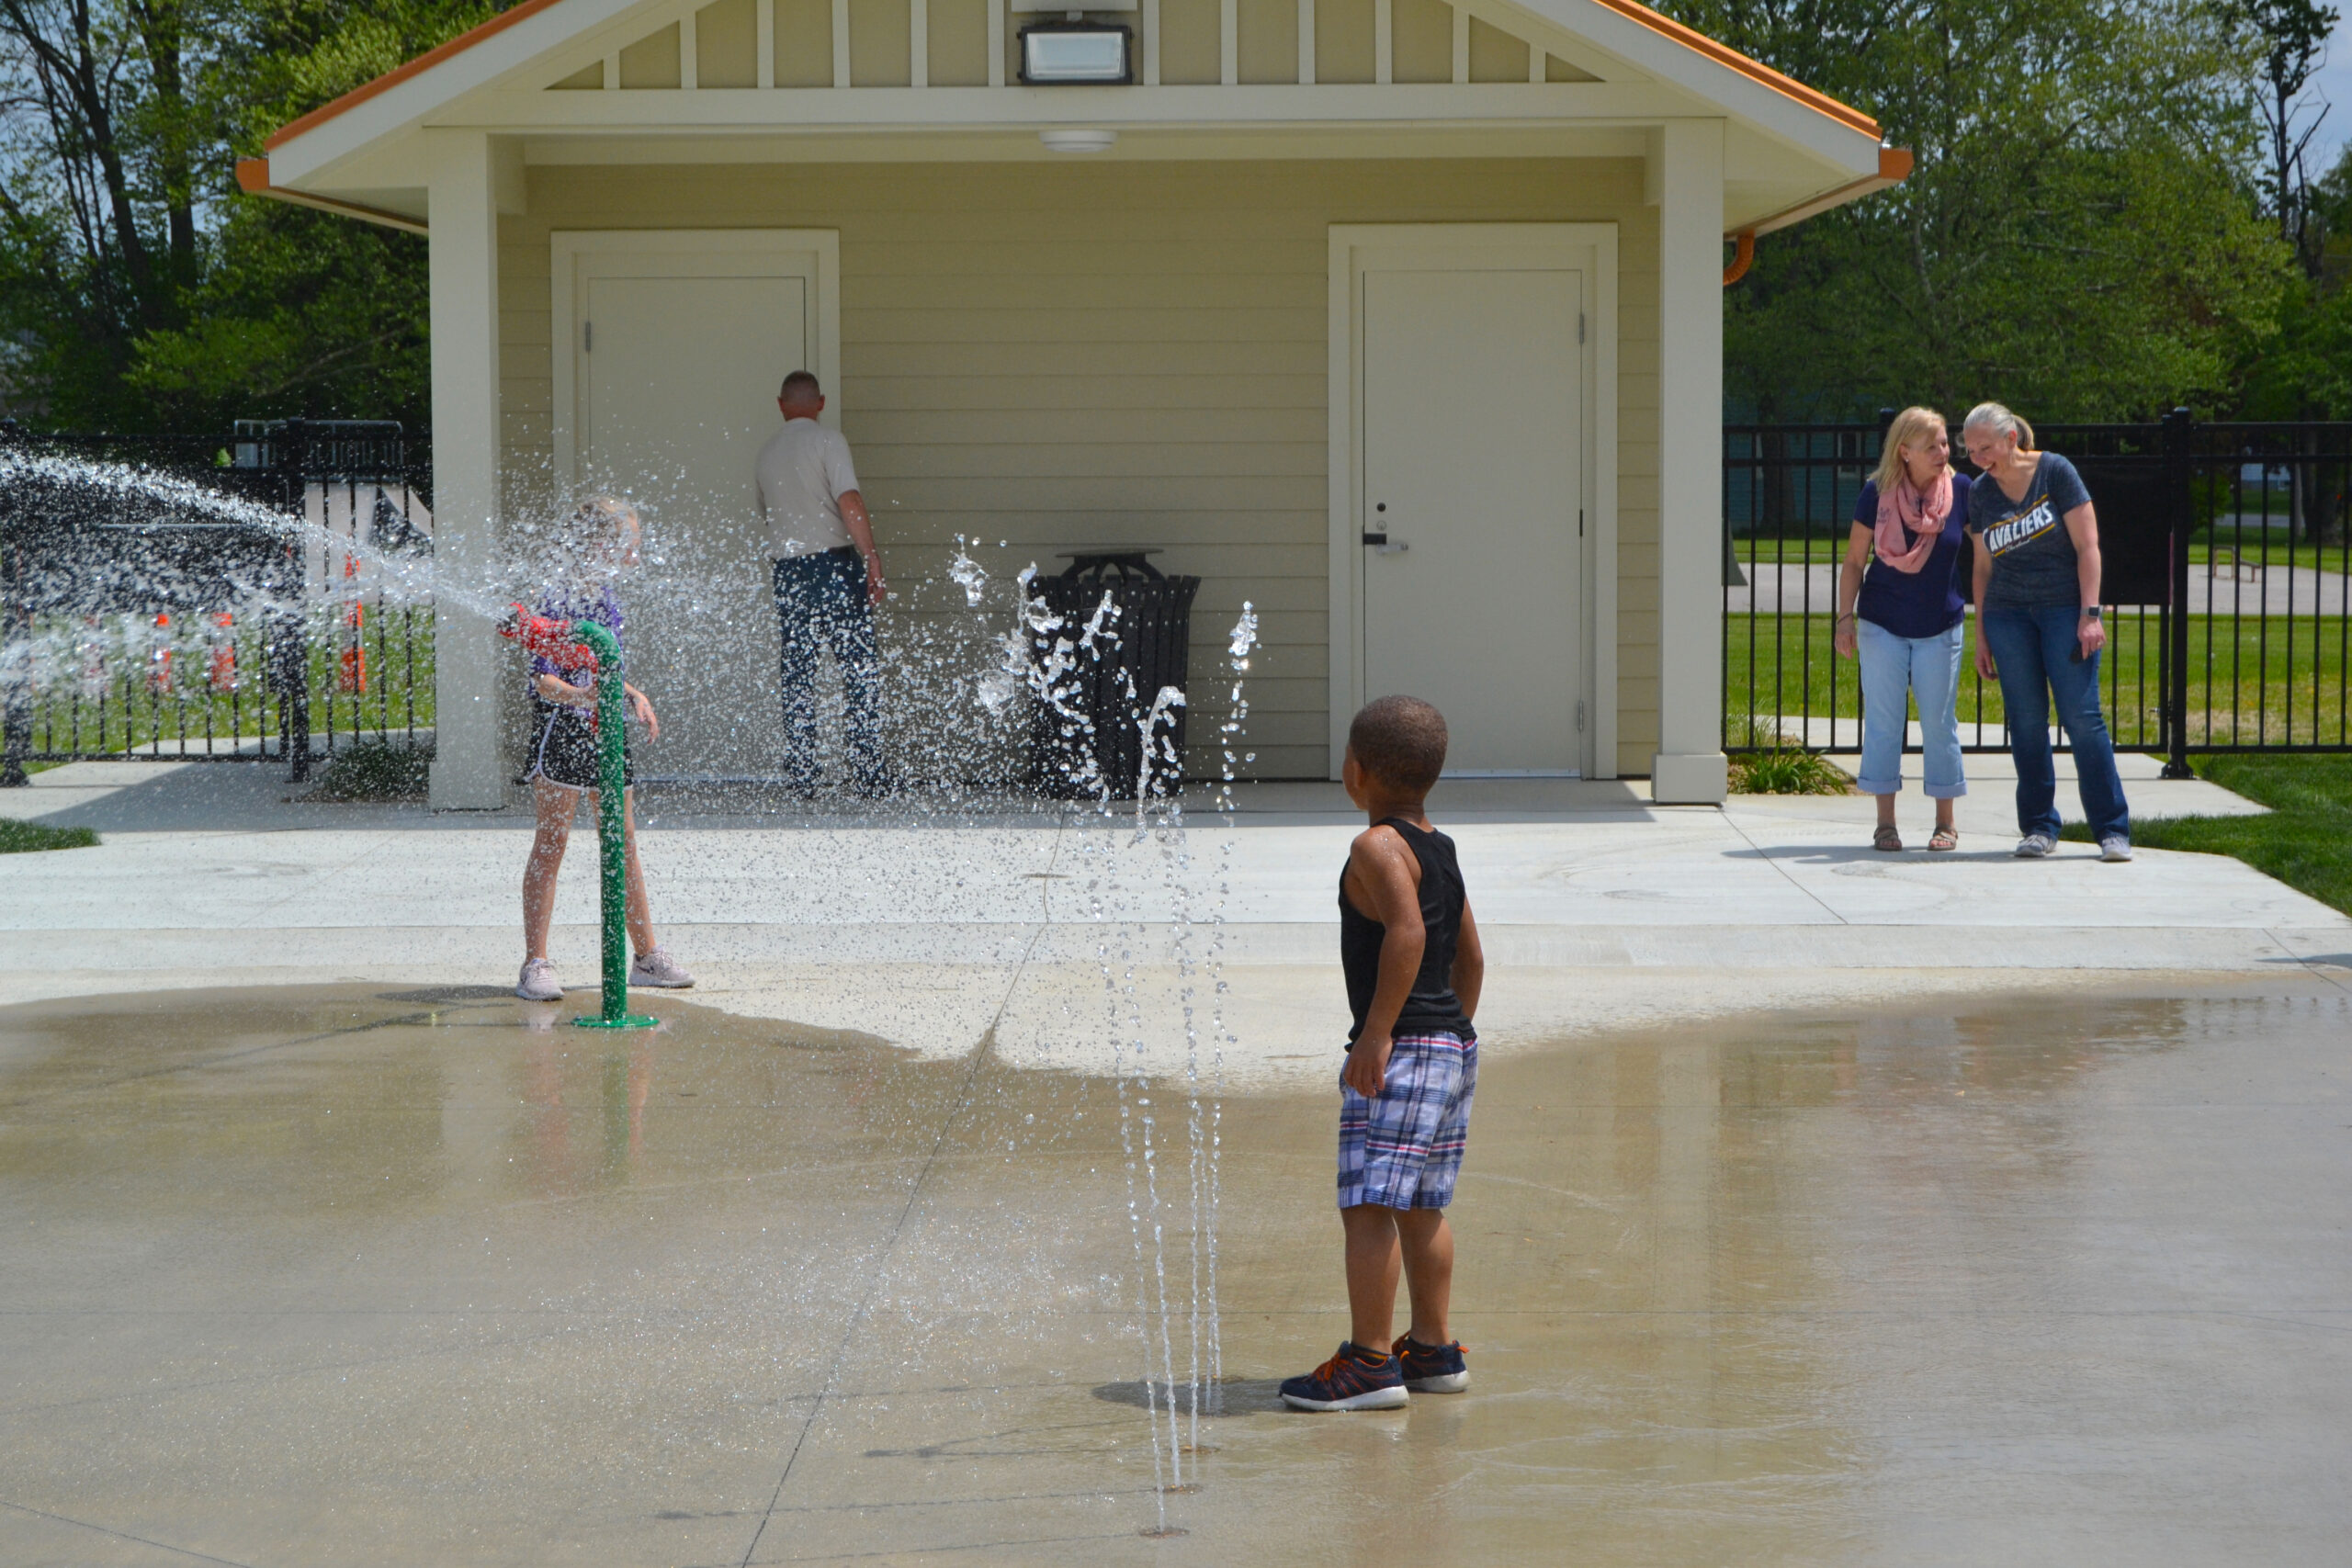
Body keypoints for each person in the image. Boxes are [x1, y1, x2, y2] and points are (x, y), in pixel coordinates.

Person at [1281, 695, 1484, 1412]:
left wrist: (1379, 1035)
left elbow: (1407, 934)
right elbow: (1471, 957)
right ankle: (1431, 1348)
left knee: (1369, 1203)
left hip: (1401, 1046)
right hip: (1451, 1043)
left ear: (1355, 772)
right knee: (1422, 1204)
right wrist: (1448, 1037)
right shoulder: (1441, 846)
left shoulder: (1376, 847)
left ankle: (1369, 1360)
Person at [515, 496, 696, 1001]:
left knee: (625, 845)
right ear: (602, 544)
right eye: (630, 546)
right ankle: (535, 963)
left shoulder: (605, 596)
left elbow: (604, 664)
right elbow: (544, 681)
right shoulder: (555, 596)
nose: (635, 557)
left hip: (605, 729)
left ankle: (646, 957)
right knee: (551, 844)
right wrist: (582, 696)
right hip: (561, 729)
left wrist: (633, 693)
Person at [1962, 401, 2132, 862]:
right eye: (1971, 450)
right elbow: (1981, 566)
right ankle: (2038, 826)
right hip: (2007, 615)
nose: (1979, 458)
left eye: (1986, 448)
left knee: (2081, 718)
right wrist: (1980, 633)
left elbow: (2088, 545)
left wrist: (2090, 613)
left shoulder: (2056, 471)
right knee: (2028, 722)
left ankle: (2112, 830)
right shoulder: (1979, 492)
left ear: (2012, 439)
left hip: (2064, 609)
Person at [1833, 406, 1973, 852]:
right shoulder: (1876, 494)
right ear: (1904, 451)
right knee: (1884, 722)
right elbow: (1854, 561)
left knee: (1939, 723)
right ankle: (1885, 824)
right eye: (1931, 445)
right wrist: (1843, 619)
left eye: (1945, 443)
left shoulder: (1962, 490)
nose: (1942, 451)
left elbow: (1987, 555)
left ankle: (1945, 824)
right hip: (1882, 623)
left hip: (1941, 623)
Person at [757, 371, 889, 796]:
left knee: (798, 672)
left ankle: (802, 776)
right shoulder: (829, 441)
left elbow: (768, 518)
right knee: (858, 669)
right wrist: (870, 556)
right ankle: (867, 774)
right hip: (833, 567)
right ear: (820, 402)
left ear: (781, 404)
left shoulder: (766, 453)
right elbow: (848, 499)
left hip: (788, 571)